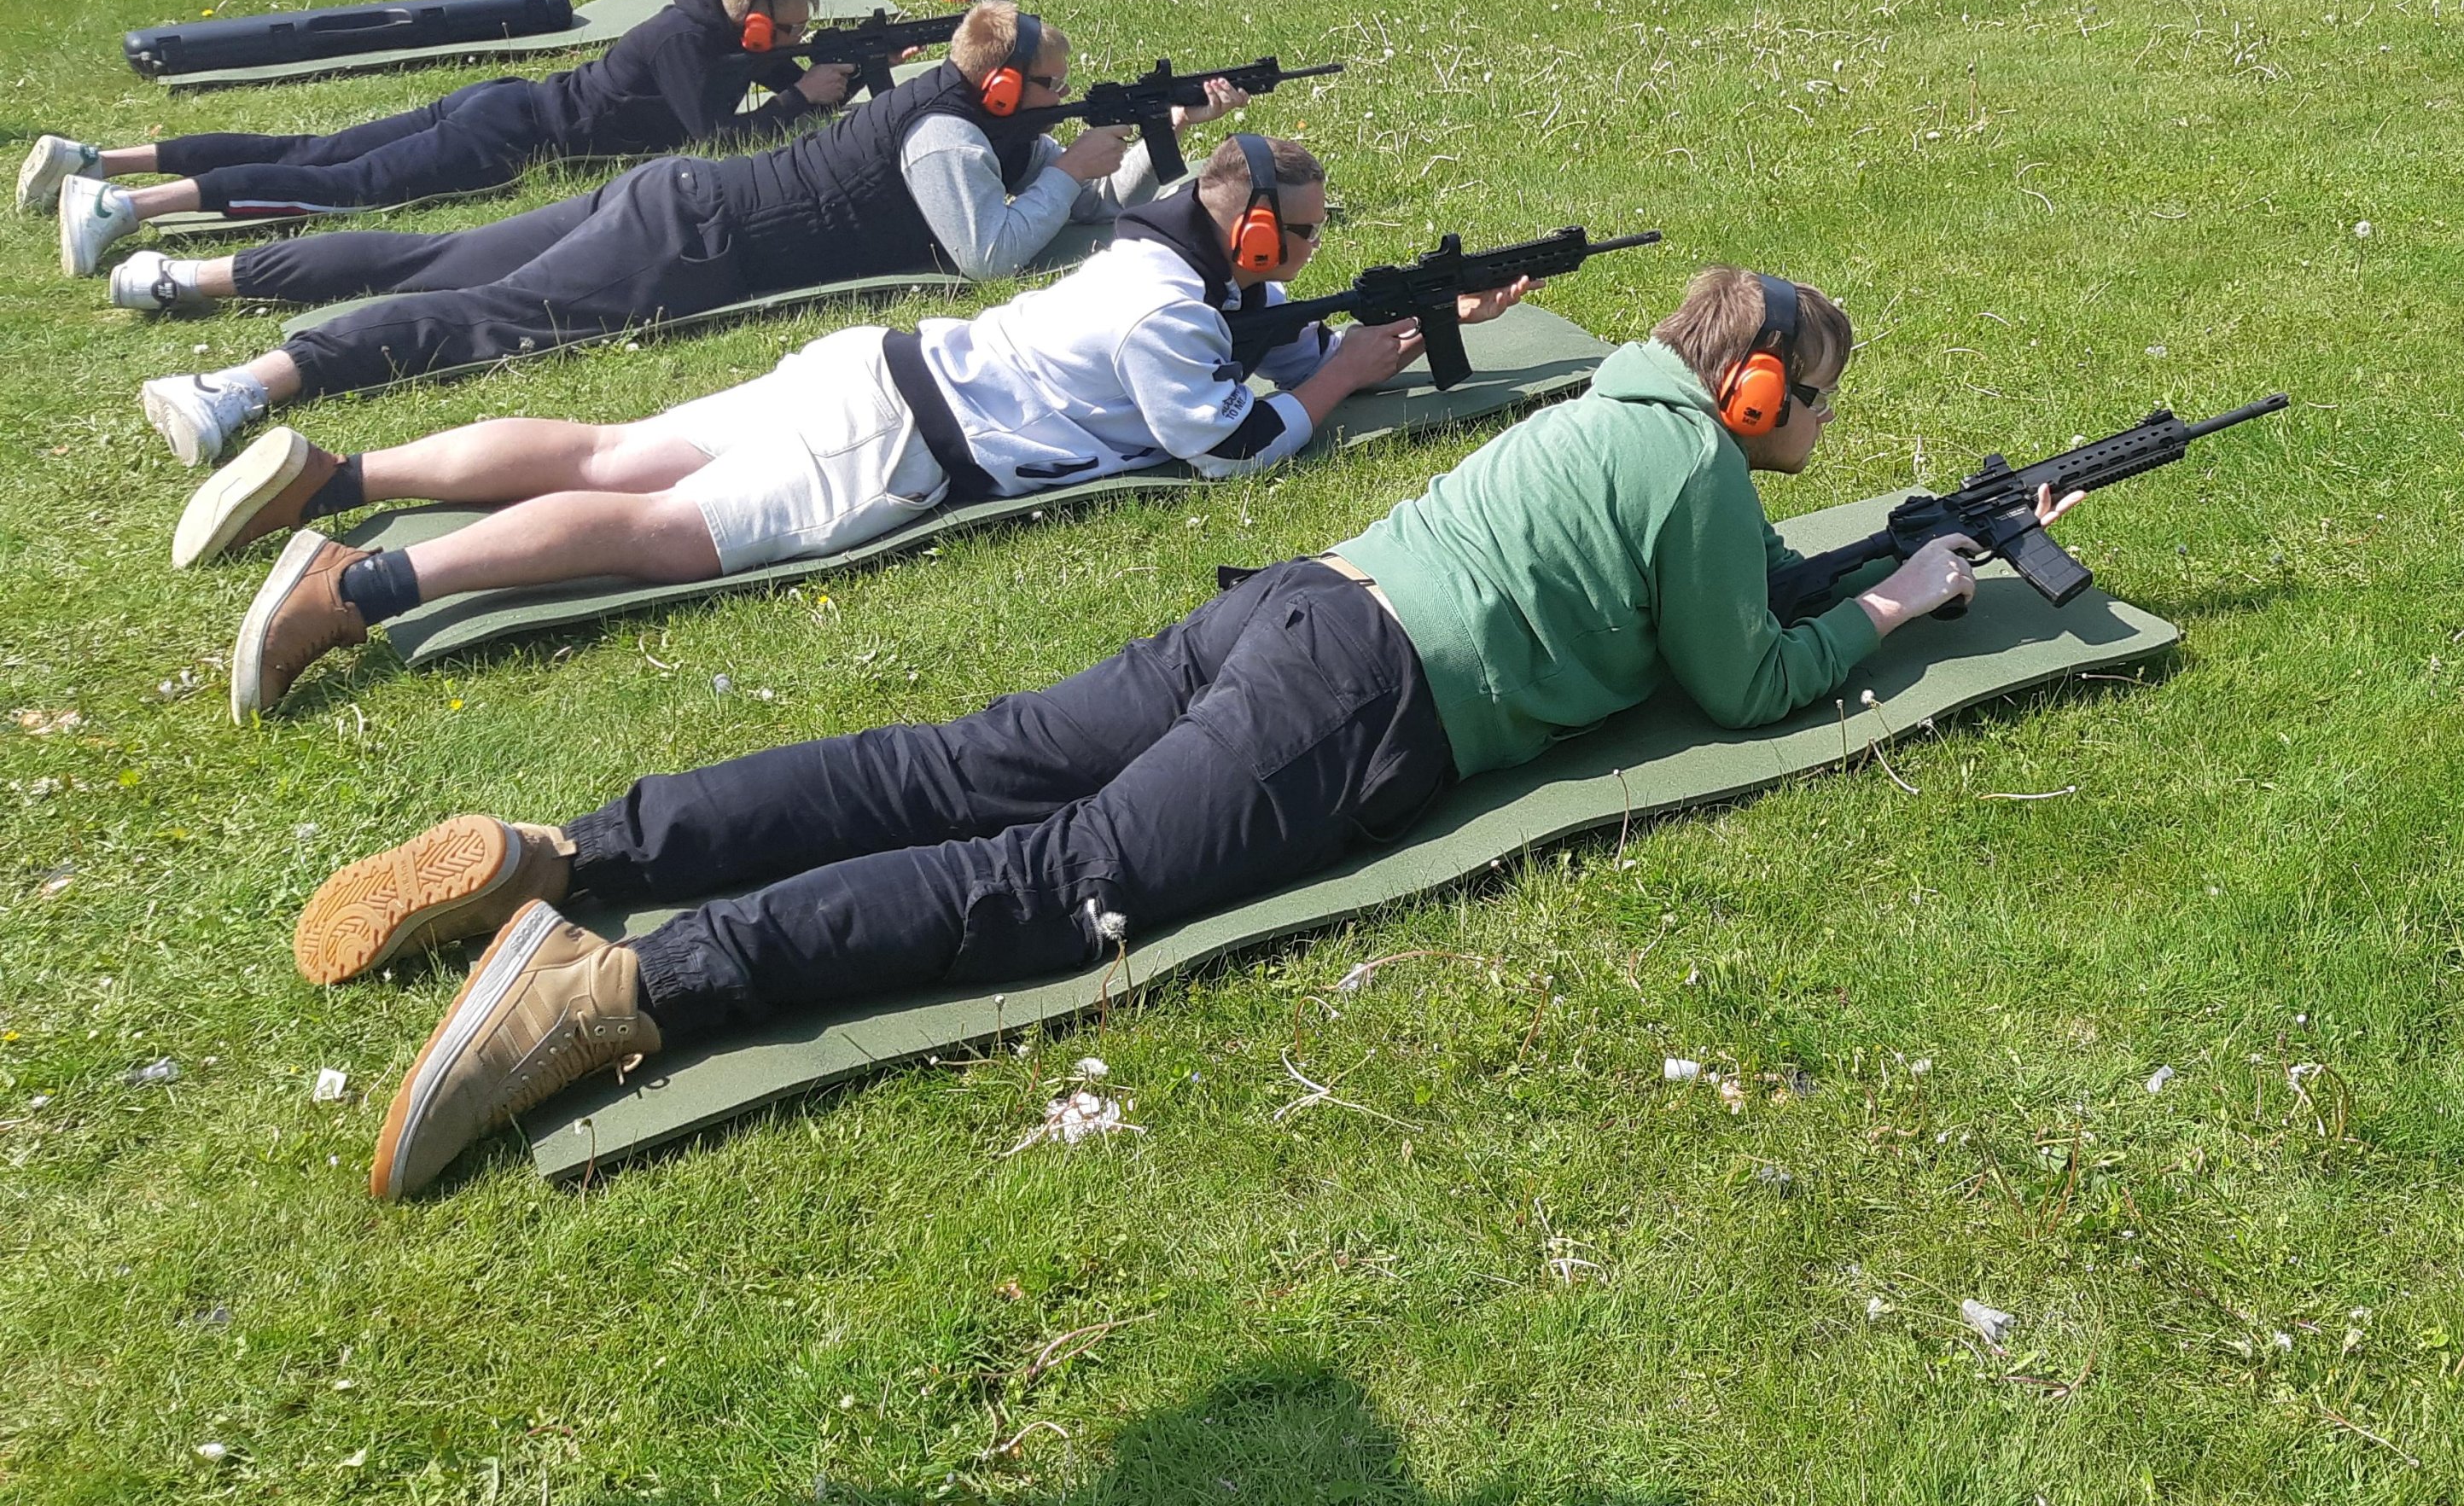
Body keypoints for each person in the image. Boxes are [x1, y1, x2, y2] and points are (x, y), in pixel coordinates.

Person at [296, 265, 2069, 1199]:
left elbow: (1732, 582)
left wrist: (1874, 557)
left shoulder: (1620, 402)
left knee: (952, 761)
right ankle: (610, 987)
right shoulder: (1697, 469)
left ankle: (572, 851)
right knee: (1061, 885)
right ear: (1753, 389)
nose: (1818, 425)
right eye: (1812, 400)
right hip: (1364, 705)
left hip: (1290, 606)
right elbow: (1743, 679)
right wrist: (1895, 612)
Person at [210, 133, 1533, 723]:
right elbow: (1231, 449)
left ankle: (336, 474)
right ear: (1246, 228)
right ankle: (358, 588)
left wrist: (1410, 322)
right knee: (652, 530)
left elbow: (1274, 329)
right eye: (1301, 234)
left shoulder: (1157, 262)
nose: (1307, 254)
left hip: (872, 367)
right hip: (891, 448)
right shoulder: (1164, 313)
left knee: (609, 446)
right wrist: (1344, 382)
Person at [131, 0, 1230, 468]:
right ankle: (245, 386)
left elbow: (1079, 207)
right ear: (996, 87)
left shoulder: (978, 124)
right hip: (688, 244)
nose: (1060, 100)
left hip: (680, 197)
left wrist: (1157, 141)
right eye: (1050, 87)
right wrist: (1071, 171)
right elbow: (991, 253)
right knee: (484, 312)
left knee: (443, 257)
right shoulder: (946, 139)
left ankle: (190, 278)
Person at [32, 0, 862, 294]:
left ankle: (97, 161)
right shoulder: (683, 42)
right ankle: (125, 208)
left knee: (312, 149)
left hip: (504, 102)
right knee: (340, 184)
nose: (793, 41)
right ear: (755, 21)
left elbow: (755, 76)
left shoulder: (707, 30)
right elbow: (708, 141)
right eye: (788, 29)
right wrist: (797, 101)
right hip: (505, 138)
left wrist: (828, 70)